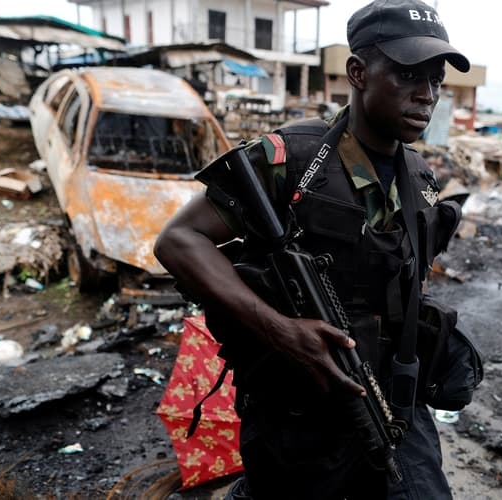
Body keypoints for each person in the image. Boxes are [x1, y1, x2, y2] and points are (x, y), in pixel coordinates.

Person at [154, 1, 471, 498]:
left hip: (393, 406)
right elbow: (178, 241)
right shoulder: (293, 160)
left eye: (435, 79)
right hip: (296, 414)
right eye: (409, 74)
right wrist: (280, 330)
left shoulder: (421, 179)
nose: (426, 94)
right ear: (359, 72)